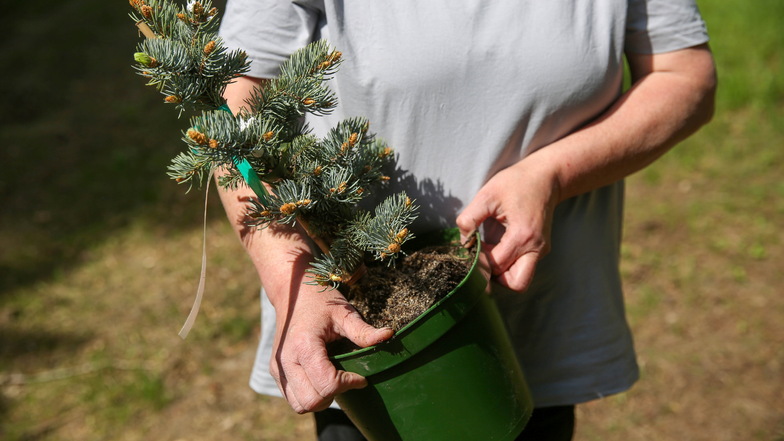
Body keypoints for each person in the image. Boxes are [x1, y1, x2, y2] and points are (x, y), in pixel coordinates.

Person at [216, 1, 717, 439]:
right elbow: (231, 118)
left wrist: (553, 174)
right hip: (360, 323)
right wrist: (292, 280)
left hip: (539, 313)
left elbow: (684, 76)